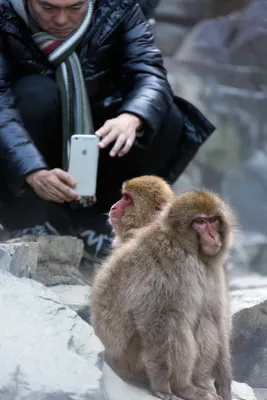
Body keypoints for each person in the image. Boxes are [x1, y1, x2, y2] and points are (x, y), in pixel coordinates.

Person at [0, 0, 215, 261]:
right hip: (32, 137)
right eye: (48, 8)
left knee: (165, 117)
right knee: (35, 94)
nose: (60, 19)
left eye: (74, 8)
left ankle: (98, 224)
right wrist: (31, 171)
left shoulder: (119, 7)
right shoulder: (4, 14)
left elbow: (150, 73)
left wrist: (132, 116)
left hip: (100, 129)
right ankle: (30, 220)